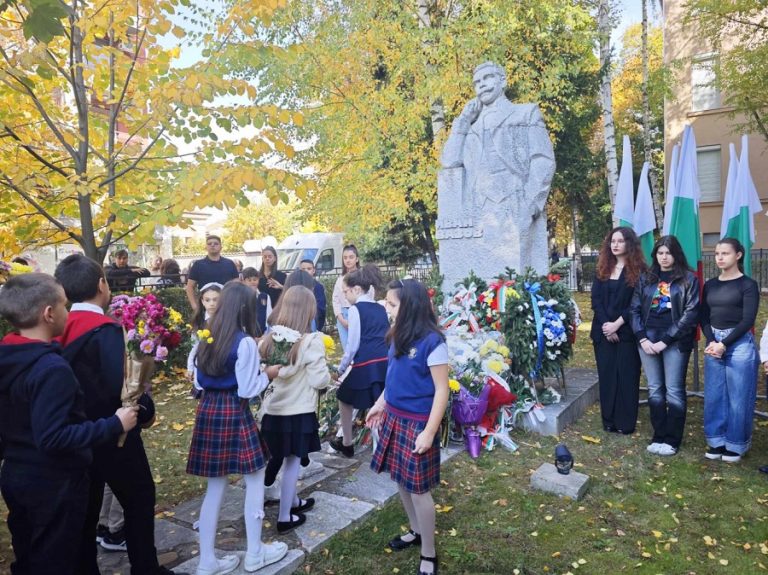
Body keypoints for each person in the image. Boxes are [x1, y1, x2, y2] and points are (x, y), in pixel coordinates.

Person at [0, 272, 137, 575]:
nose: (69, 310)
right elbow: (53, 437)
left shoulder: (9, 357)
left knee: (30, 555)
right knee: (58, 560)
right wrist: (114, 424)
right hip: (54, 484)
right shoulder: (51, 369)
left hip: (16, 475)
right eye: (64, 304)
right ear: (49, 314)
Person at [54, 254, 179, 575]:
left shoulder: (57, 330)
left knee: (87, 510)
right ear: (102, 284)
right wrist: (146, 410)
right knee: (139, 498)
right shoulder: (106, 330)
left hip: (74, 435)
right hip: (115, 432)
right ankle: (145, 568)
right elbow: (124, 385)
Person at [187, 282, 287, 574]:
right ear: (244, 308)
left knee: (215, 487)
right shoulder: (244, 342)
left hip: (208, 410)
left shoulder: (205, 336)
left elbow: (197, 381)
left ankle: (207, 561)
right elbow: (247, 389)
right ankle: (255, 552)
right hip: (234, 409)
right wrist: (268, 374)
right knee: (254, 480)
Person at [366, 279, 449, 575]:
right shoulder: (397, 335)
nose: (387, 308)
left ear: (410, 306)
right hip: (395, 418)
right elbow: (393, 378)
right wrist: (380, 403)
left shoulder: (433, 342)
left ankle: (429, 553)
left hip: (417, 423)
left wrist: (429, 431)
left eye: (392, 304)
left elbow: (442, 390)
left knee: (418, 490)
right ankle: (415, 531)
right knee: (401, 480)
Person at [258, 286, 331, 533]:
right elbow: (319, 380)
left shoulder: (269, 339)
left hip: (273, 410)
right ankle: (285, 516)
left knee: (281, 458)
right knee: (292, 464)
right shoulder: (311, 342)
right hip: (298, 411)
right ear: (308, 311)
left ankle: (293, 500)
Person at [630, 236, 700, 457]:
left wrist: (665, 341)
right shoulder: (646, 278)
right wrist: (642, 338)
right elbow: (634, 310)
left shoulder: (689, 279)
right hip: (647, 340)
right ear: (655, 255)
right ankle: (659, 435)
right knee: (655, 388)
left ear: (676, 254)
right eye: (660, 253)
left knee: (674, 390)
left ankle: (672, 440)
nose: (664, 257)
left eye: (668, 253)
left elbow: (691, 314)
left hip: (674, 342)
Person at [701, 237, 759, 464]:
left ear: (738, 255)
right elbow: (704, 316)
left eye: (725, 253)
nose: (719, 258)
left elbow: (748, 320)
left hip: (739, 343)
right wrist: (712, 341)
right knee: (715, 394)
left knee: (739, 396)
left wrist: (724, 344)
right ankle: (716, 441)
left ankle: (735, 444)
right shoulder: (710, 285)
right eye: (717, 253)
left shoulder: (748, 285)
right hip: (714, 342)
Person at [591, 227, 647, 435]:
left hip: (627, 332)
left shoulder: (640, 271)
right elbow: (596, 300)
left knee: (627, 376)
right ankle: (609, 421)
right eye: (612, 241)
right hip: (603, 331)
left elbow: (637, 303)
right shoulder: (602, 268)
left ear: (629, 244)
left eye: (620, 241)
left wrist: (617, 324)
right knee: (607, 376)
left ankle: (625, 423)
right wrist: (607, 325)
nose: (615, 245)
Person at [331, 264, 388, 458]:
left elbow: (353, 344)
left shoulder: (356, 309)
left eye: (346, 291)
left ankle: (348, 443)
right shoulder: (380, 307)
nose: (345, 295)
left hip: (366, 364)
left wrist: (341, 368)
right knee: (378, 404)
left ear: (356, 289)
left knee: (344, 396)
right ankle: (377, 447)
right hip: (384, 362)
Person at [332, 245, 373, 350]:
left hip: (361, 314)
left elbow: (370, 295)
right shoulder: (340, 279)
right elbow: (335, 300)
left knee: (361, 347)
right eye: (345, 258)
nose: (348, 260)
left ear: (357, 259)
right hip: (343, 315)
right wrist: (341, 319)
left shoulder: (363, 277)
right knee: (347, 348)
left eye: (351, 257)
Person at [185, 235, 239, 311]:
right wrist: (194, 306)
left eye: (216, 243)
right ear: (206, 247)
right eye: (209, 244)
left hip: (227, 306)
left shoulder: (229, 263)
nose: (212, 245)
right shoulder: (198, 265)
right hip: (205, 307)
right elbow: (190, 287)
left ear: (221, 247)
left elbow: (237, 286)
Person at [188, 283, 223, 385]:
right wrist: (190, 367)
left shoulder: (227, 320)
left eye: (215, 300)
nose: (212, 304)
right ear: (202, 301)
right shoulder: (199, 321)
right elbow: (195, 347)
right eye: (207, 300)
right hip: (203, 364)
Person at [299, 259, 327, 332]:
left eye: (309, 269)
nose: (306, 271)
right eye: (303, 269)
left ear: (313, 271)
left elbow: (321, 307)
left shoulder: (318, 287)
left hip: (312, 320)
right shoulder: (295, 286)